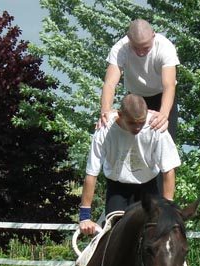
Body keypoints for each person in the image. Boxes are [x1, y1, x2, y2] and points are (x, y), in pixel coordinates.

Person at [79, 93, 181, 236]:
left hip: (148, 186)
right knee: (114, 234)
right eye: (133, 123)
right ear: (120, 115)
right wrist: (85, 217)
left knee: (157, 233)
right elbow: (91, 173)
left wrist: (168, 208)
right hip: (118, 189)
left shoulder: (156, 127)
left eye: (141, 122)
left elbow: (168, 170)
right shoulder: (104, 129)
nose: (138, 127)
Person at [97, 19, 180, 139]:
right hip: (136, 100)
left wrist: (163, 114)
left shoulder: (165, 47)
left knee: (163, 136)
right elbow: (110, 83)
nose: (141, 53)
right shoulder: (120, 48)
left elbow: (169, 85)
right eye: (136, 48)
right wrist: (105, 112)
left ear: (153, 35)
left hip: (162, 96)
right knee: (131, 138)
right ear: (128, 39)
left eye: (145, 48)